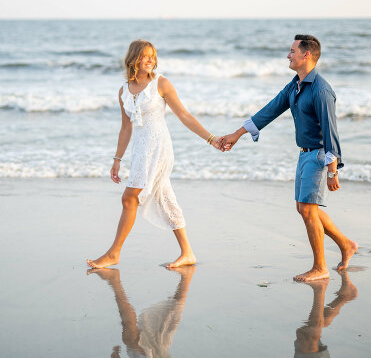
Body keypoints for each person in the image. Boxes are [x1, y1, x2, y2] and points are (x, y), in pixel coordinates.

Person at [218, 34, 357, 282]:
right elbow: (270, 110)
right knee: (304, 209)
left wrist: (333, 171)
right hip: (303, 154)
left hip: (318, 155)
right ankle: (346, 244)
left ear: (307, 55)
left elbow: (330, 131)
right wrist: (237, 134)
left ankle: (320, 267)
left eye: (292, 51)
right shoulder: (295, 85)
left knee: (307, 209)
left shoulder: (321, 90)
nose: (288, 55)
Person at [87, 39, 221, 269]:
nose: (150, 60)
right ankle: (187, 252)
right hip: (140, 151)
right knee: (164, 197)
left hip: (159, 148)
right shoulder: (124, 90)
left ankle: (114, 253)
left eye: (152, 56)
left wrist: (211, 139)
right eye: (145, 56)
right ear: (133, 59)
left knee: (129, 198)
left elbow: (184, 115)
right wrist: (117, 160)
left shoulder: (161, 84)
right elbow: (126, 127)